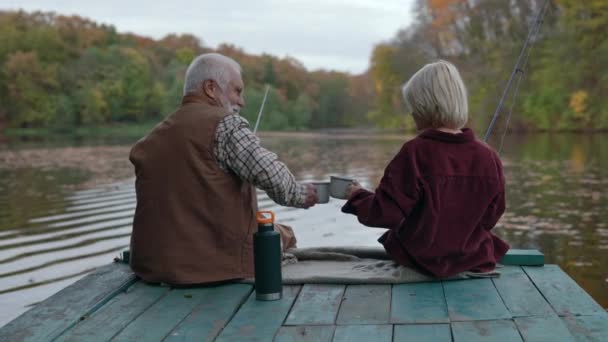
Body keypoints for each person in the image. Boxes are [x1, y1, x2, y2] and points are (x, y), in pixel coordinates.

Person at [128, 53, 318, 285]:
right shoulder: (225, 123)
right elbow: (274, 178)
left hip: (151, 267)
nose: (242, 102)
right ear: (210, 88)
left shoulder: (151, 138)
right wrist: (302, 194)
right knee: (283, 234)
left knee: (277, 230)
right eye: (237, 91)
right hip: (212, 266)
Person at [341, 60, 509, 278]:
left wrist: (357, 197)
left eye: (413, 106)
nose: (411, 113)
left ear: (425, 108)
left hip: (421, 260)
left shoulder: (414, 153)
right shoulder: (490, 157)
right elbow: (491, 217)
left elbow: (385, 213)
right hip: (473, 258)